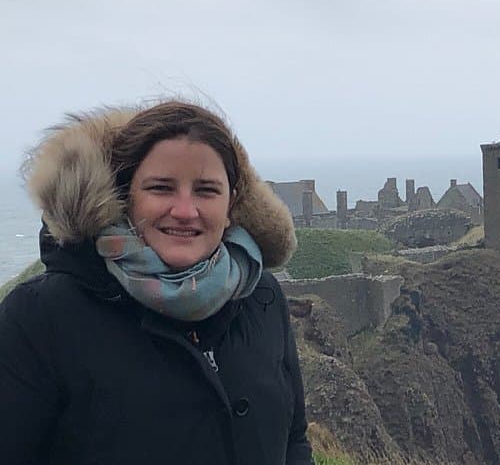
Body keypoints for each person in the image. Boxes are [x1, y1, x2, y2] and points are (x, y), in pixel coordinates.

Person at [0, 100, 314, 465]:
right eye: (161, 188)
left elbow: (294, 440)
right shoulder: (39, 317)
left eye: (206, 190)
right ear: (124, 197)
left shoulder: (261, 295)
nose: (184, 211)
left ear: (231, 205)